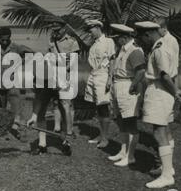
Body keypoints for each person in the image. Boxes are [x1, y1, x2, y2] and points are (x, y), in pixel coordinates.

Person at [134, 21, 181, 188]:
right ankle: (167, 169)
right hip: (163, 93)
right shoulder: (161, 46)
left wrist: (176, 92)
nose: (140, 42)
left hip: (159, 93)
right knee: (165, 131)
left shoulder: (159, 50)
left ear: (147, 34)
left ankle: (166, 175)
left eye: (141, 38)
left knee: (159, 132)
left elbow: (164, 75)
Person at [107, 24, 146, 167]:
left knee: (130, 122)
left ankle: (131, 156)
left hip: (127, 85)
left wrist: (133, 85)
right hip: (118, 84)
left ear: (124, 37)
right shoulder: (122, 50)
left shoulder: (134, 50)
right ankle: (123, 151)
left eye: (117, 38)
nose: (116, 41)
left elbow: (141, 71)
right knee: (120, 120)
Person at [150, 16, 181, 176]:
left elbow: (172, 69)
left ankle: (165, 166)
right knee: (164, 128)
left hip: (166, 87)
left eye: (156, 29)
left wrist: (175, 91)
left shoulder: (170, 41)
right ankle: (164, 165)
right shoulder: (161, 41)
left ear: (163, 28)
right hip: (165, 85)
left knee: (162, 129)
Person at [0, 27, 33, 136]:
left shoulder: (16, 48)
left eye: (6, 39)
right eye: (2, 39)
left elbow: (31, 53)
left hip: (13, 82)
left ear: (10, 38)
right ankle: (2, 128)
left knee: (15, 107)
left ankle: (15, 128)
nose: (4, 42)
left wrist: (22, 62)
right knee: (0, 108)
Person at [84, 20, 116, 148]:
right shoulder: (94, 44)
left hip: (103, 75)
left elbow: (112, 60)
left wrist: (110, 78)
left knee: (103, 107)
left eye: (91, 29)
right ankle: (101, 135)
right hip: (94, 75)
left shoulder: (108, 42)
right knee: (98, 107)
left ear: (97, 27)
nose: (90, 32)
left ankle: (105, 138)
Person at [47, 21, 80, 139]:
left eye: (58, 30)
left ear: (64, 29)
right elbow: (50, 55)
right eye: (54, 30)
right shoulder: (51, 40)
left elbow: (74, 59)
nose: (55, 32)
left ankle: (69, 131)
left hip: (67, 74)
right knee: (56, 102)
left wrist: (65, 71)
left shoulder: (71, 41)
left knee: (67, 103)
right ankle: (57, 127)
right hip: (55, 74)